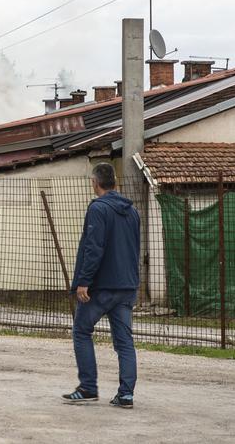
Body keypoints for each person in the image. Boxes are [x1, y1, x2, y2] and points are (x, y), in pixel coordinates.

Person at [61, 162, 141, 409]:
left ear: (95, 183)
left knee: (81, 331)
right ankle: (126, 394)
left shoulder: (98, 209)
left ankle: (88, 387)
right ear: (114, 182)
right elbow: (135, 248)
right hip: (126, 285)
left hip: (102, 286)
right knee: (124, 341)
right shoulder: (132, 211)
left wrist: (84, 281)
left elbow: (93, 248)